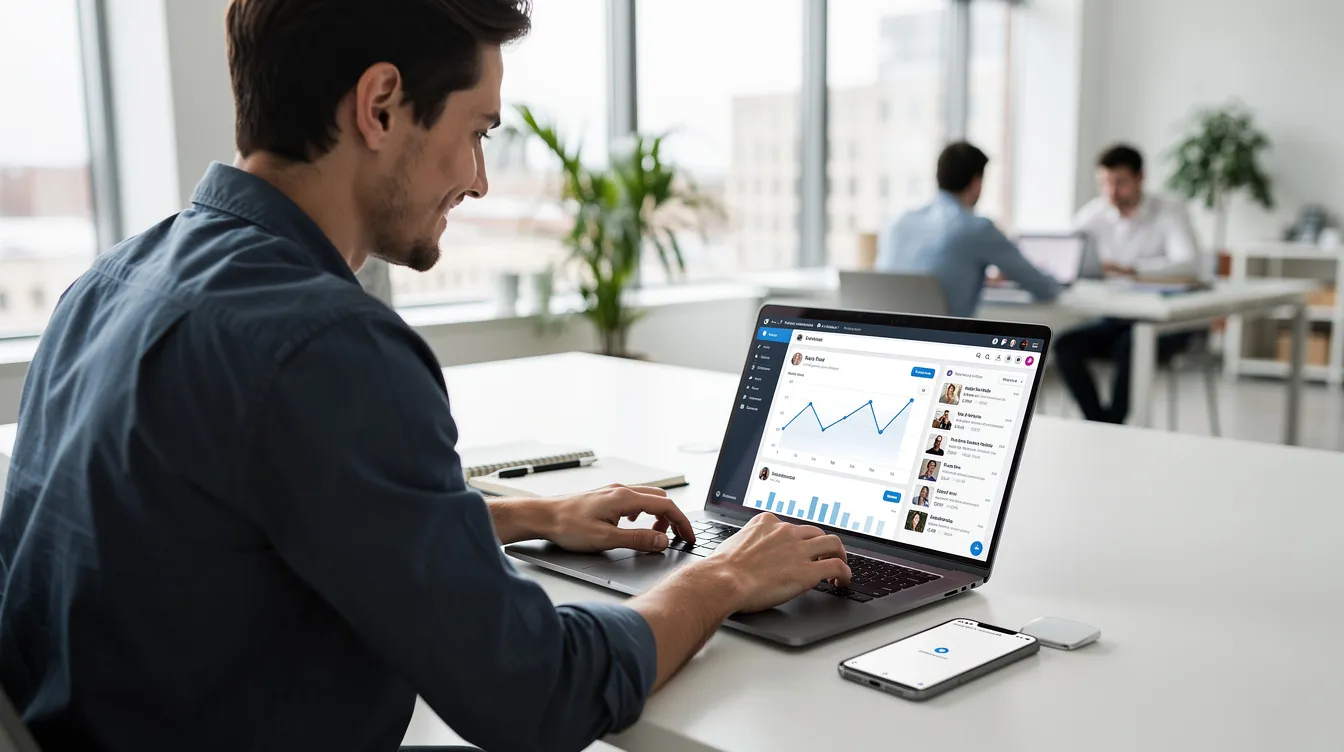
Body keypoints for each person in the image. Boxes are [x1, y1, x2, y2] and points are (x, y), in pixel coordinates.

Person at [0, 3, 853, 751]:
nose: (479, 180)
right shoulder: (327, 344)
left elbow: (258, 527)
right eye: (477, 132)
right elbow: (538, 695)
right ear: (380, 106)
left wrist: (531, 515)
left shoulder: (110, 282)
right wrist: (723, 576)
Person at [1057, 145, 1205, 424]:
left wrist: (1133, 270)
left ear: (1140, 178)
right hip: (1117, 317)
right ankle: (1100, 423)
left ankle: (1112, 423)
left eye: (1120, 183)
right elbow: (1065, 253)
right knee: (1066, 345)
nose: (1111, 192)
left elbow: (1189, 264)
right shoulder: (1095, 214)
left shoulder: (1169, 212)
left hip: (1168, 322)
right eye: (1104, 183)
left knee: (1132, 344)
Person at [876, 142, 1061, 317]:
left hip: (888, 340)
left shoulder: (897, 223)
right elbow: (1043, 288)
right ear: (976, 182)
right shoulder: (976, 228)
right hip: (947, 342)